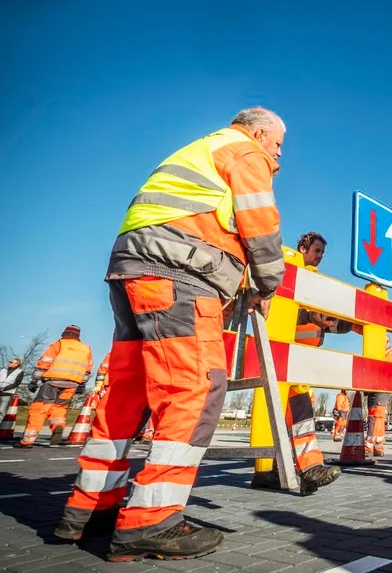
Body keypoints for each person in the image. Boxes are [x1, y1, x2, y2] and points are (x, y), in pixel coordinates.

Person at [57, 108, 289, 561]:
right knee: (195, 389)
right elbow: (260, 223)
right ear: (261, 132)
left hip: (133, 272)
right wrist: (267, 284)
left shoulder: (202, 149)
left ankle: (89, 509)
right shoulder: (245, 150)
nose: (279, 155)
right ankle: (150, 521)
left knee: (129, 391)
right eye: (278, 144)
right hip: (180, 275)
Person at [252, 231, 343, 492]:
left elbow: (328, 322)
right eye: (317, 251)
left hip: (301, 360)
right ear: (303, 248)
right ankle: (309, 467)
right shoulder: (290, 270)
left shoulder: (313, 280)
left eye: (323, 253)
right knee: (299, 411)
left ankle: (266, 470)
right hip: (286, 357)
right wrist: (309, 316)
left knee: (288, 412)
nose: (320, 257)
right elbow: (288, 308)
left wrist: (354, 324)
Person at [19, 325, 93, 448]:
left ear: (65, 333)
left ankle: (27, 440)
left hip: (52, 381)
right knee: (59, 408)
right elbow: (88, 368)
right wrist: (82, 384)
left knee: (39, 408)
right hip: (72, 383)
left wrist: (35, 379)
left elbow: (45, 362)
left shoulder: (58, 344)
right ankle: (57, 429)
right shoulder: (86, 348)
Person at [365, 338, 392, 457]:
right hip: (374, 390)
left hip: (381, 389)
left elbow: (384, 372)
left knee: (377, 416)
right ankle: (375, 444)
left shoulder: (390, 355)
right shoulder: (381, 354)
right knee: (373, 416)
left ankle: (374, 444)